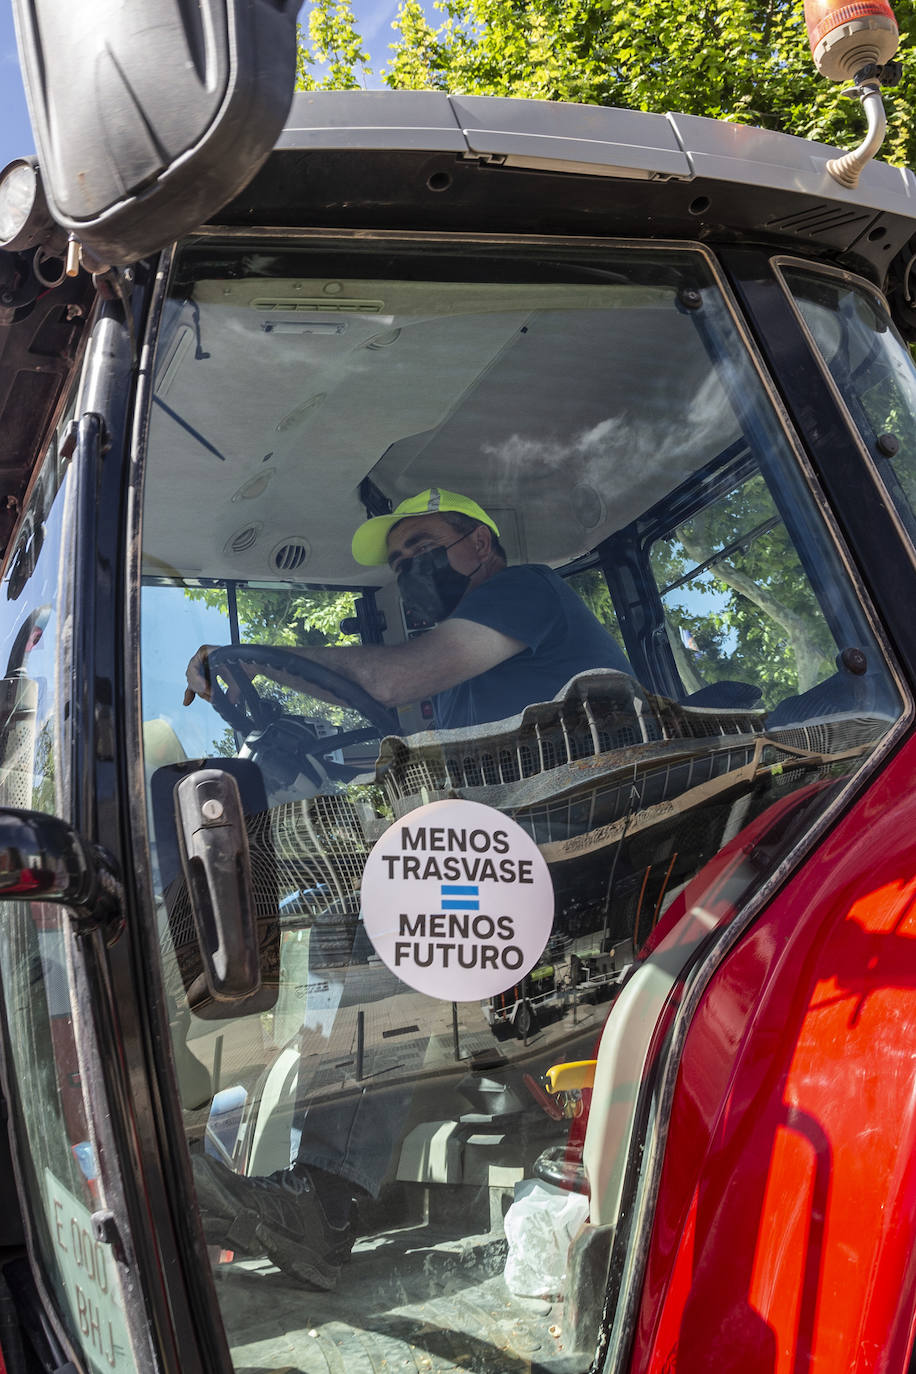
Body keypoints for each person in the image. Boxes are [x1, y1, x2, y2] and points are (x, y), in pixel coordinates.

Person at [185, 488, 633, 1287]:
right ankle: (318, 1174)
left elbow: (389, 677)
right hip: (521, 851)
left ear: (479, 547)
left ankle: (323, 1201)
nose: (408, 569)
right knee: (338, 900)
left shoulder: (523, 589)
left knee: (398, 893)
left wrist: (253, 656)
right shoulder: (466, 688)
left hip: (596, 844)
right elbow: (406, 754)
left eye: (422, 545)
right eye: (398, 562)